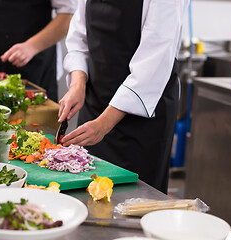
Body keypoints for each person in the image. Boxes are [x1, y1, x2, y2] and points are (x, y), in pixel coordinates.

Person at [58, 0, 190, 193]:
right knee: (85, 192)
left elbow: (152, 65)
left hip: (142, 119)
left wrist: (103, 124)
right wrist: (78, 84)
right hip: (95, 105)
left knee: (131, 202)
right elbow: (79, 37)